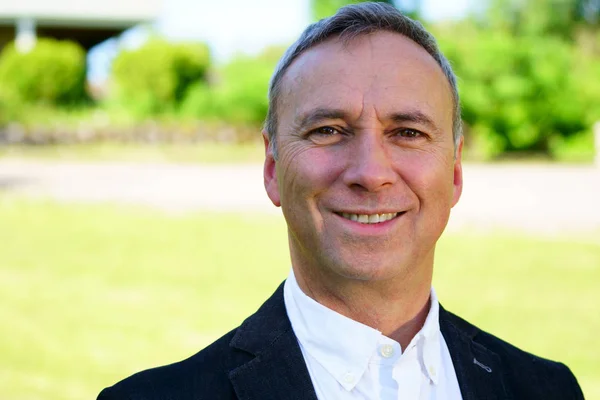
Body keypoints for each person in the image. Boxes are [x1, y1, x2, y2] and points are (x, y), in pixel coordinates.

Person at [98, 3, 584, 399]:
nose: (371, 173)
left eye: (408, 132)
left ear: (455, 170)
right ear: (272, 168)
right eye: (328, 130)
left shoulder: (548, 389)